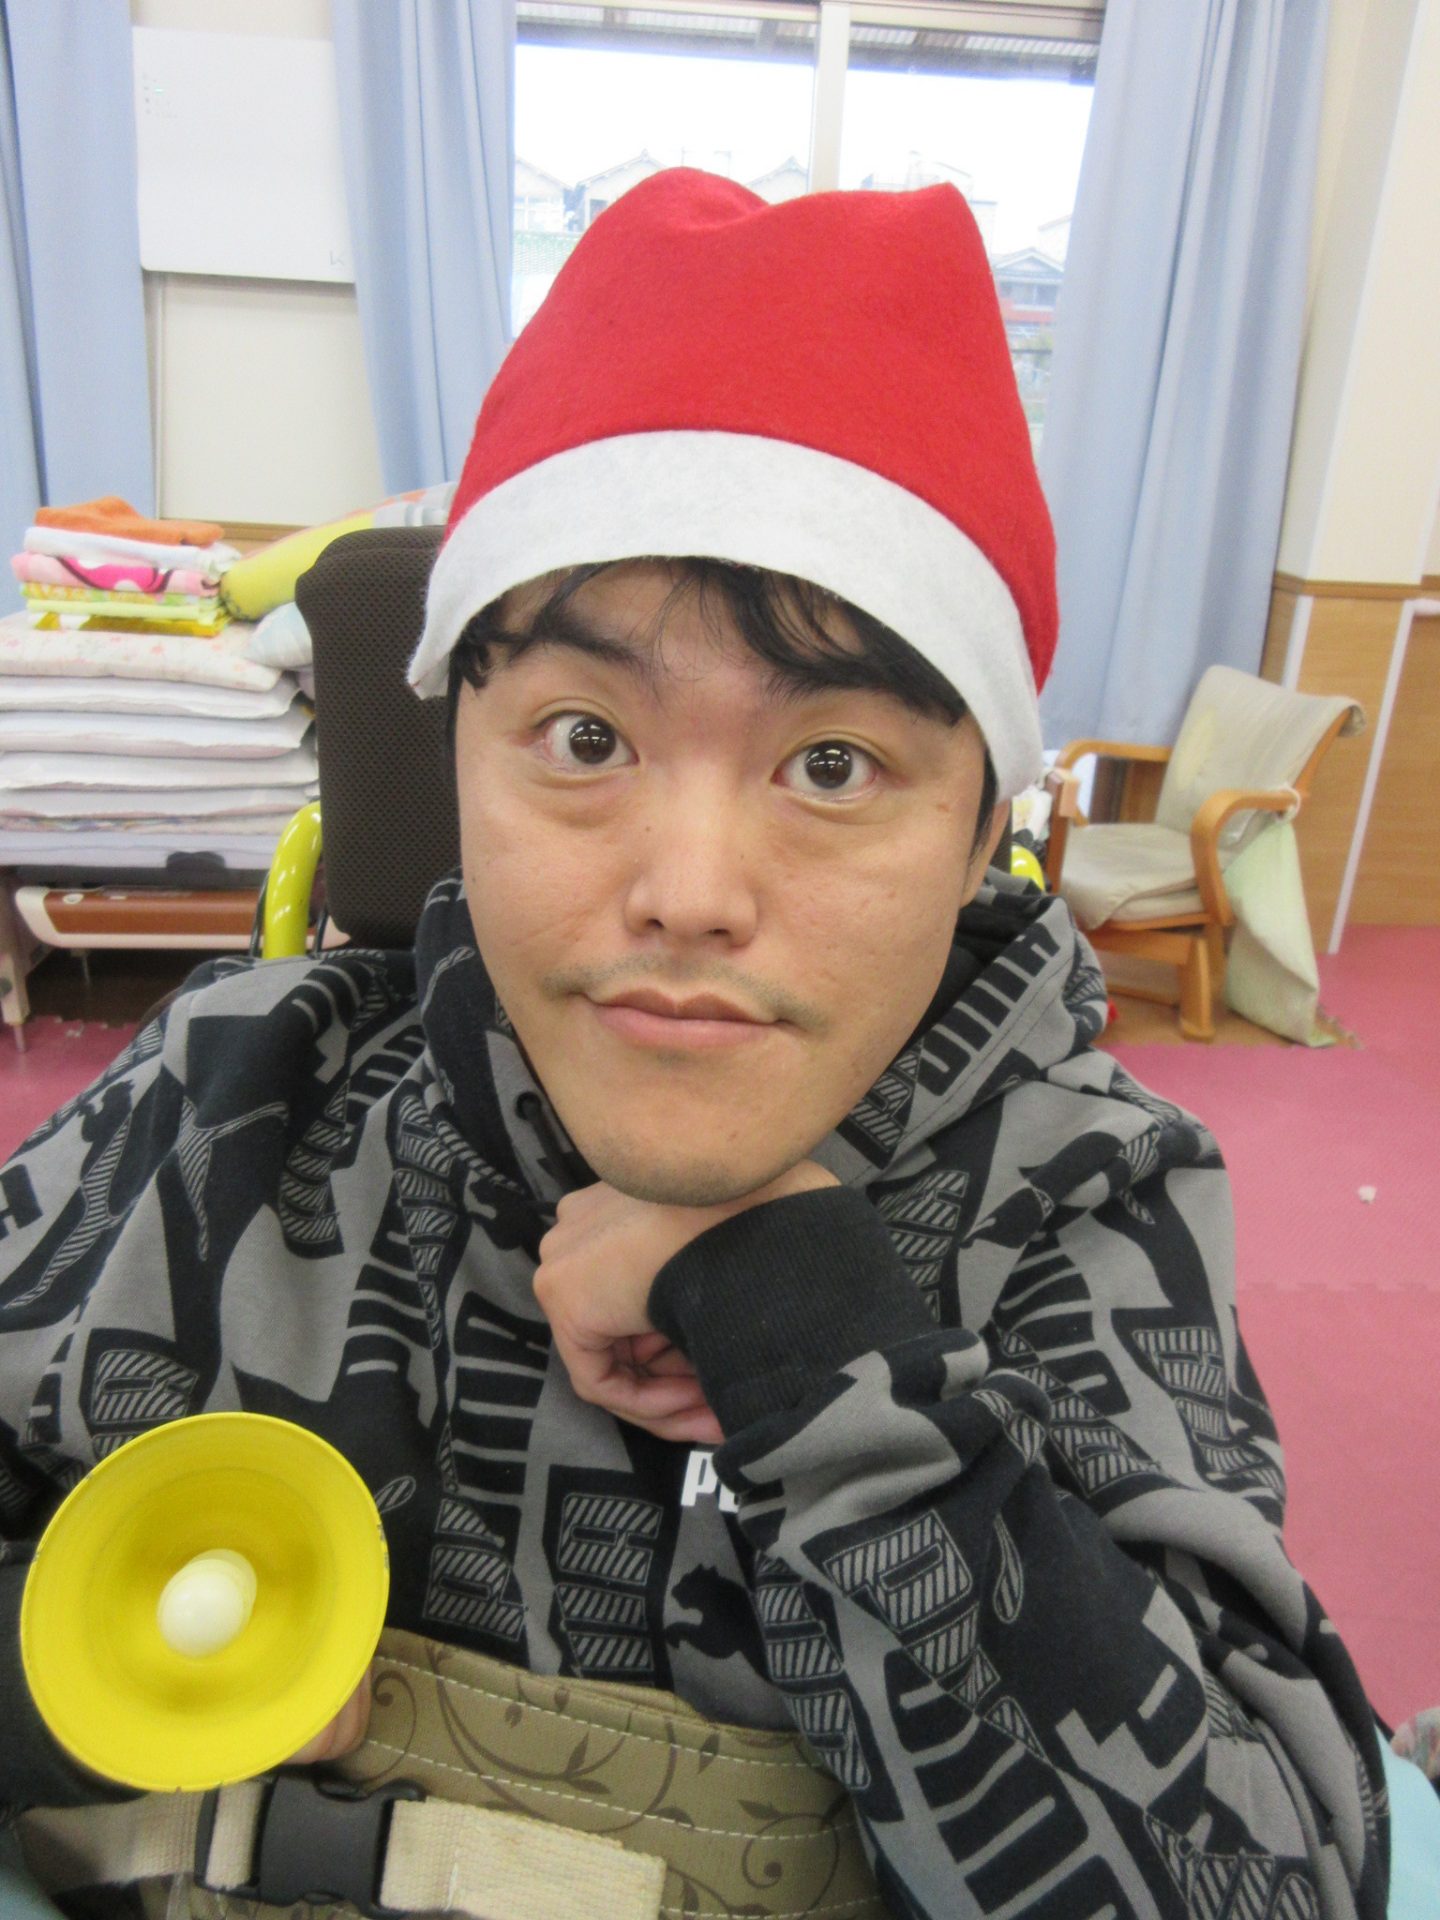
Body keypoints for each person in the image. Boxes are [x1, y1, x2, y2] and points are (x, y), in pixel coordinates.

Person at [0, 170, 1388, 1917]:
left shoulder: (1080, 1206)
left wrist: (817, 1339)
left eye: (833, 767)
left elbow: (1276, 1877)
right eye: (585, 737)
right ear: (457, 754)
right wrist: (65, 1678)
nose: (690, 893)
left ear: (983, 836)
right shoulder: (239, 1103)